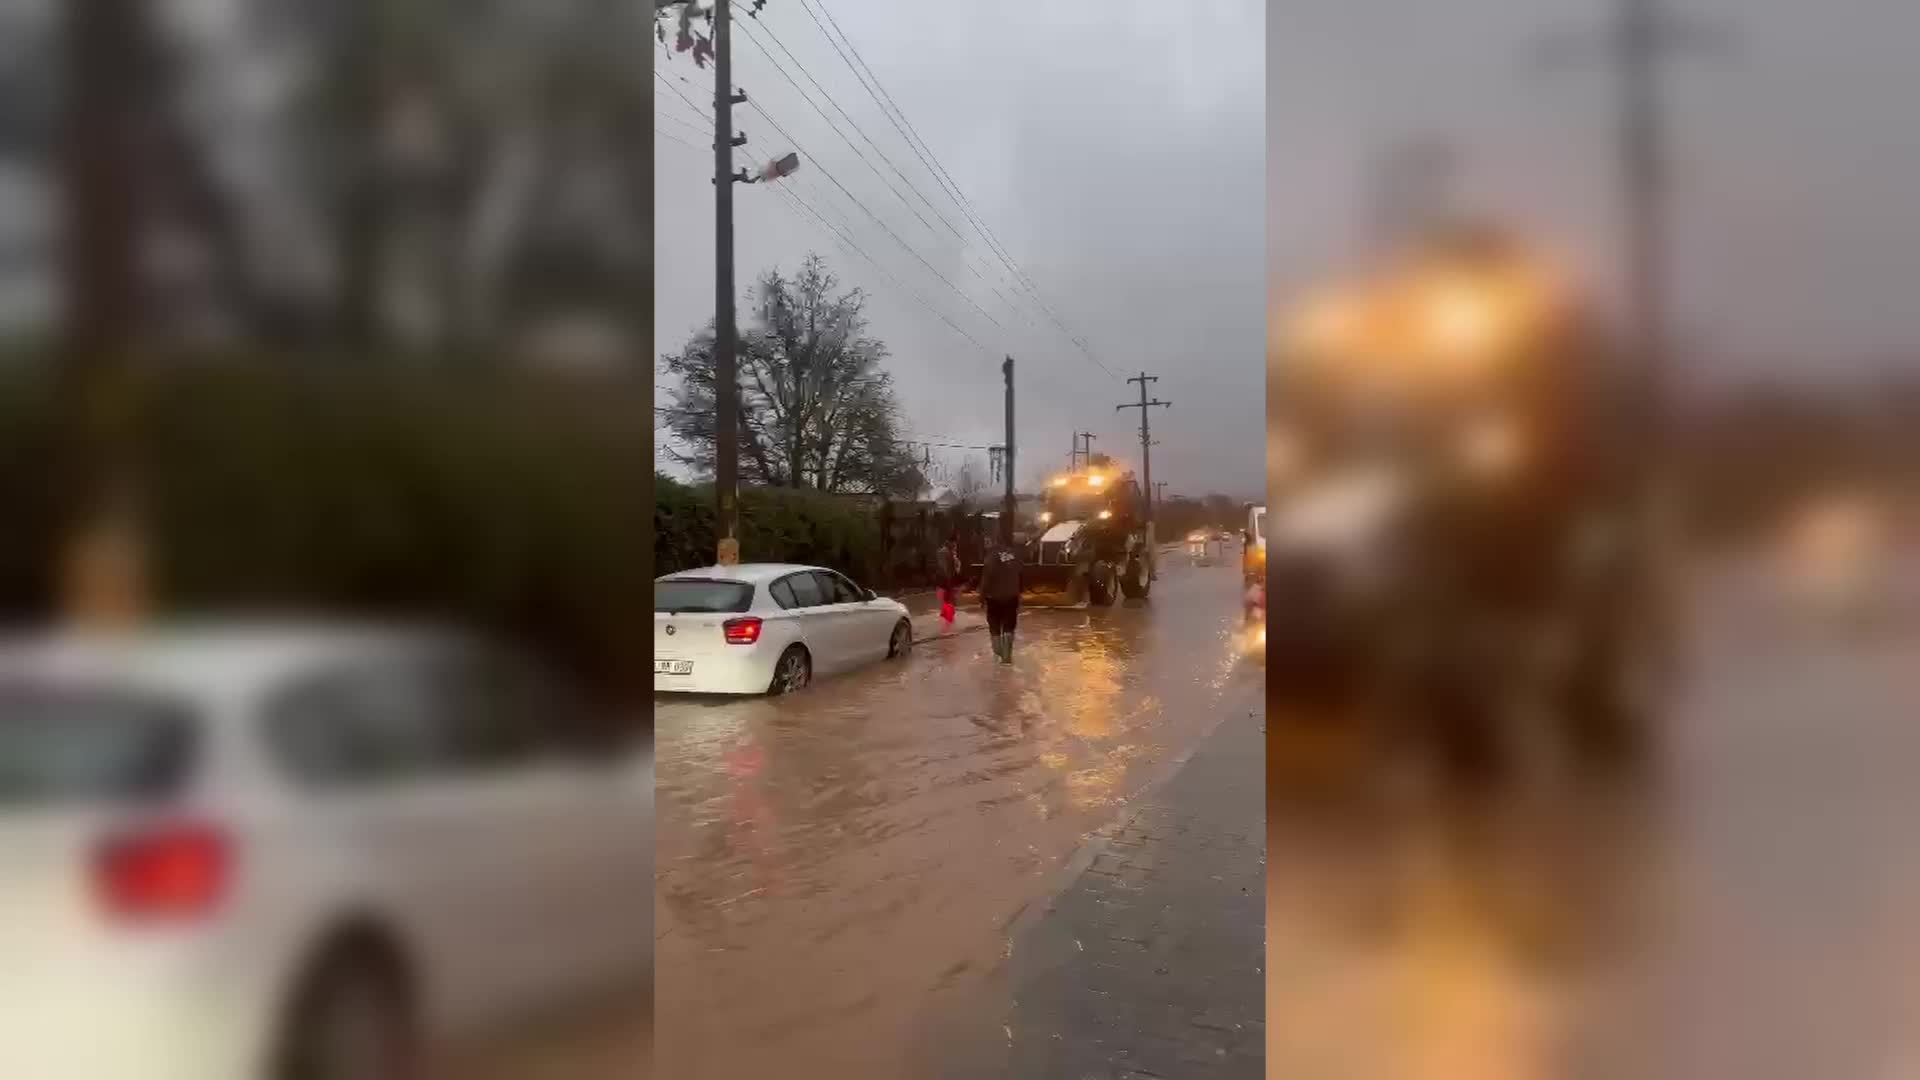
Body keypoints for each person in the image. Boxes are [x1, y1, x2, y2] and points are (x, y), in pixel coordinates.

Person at [979, 532, 1023, 664]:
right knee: (1009, 625)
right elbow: (1020, 573)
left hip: (994, 597)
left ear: (995, 541)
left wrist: (981, 596)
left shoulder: (991, 557)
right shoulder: (1013, 555)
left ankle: (998, 650)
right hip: (1011, 596)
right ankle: (1007, 656)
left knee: (994, 625)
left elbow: (987, 578)